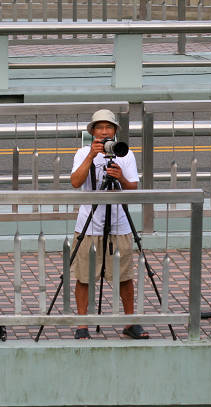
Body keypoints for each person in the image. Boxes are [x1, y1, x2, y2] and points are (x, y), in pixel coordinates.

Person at [70, 109, 149, 340]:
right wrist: (90, 156)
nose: (104, 132)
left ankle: (129, 322)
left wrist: (120, 177)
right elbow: (75, 182)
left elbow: (132, 188)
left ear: (115, 131)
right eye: (100, 128)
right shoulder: (82, 152)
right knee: (84, 277)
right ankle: (82, 324)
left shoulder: (125, 153)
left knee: (124, 276)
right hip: (89, 223)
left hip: (118, 223)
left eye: (109, 127)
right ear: (92, 132)